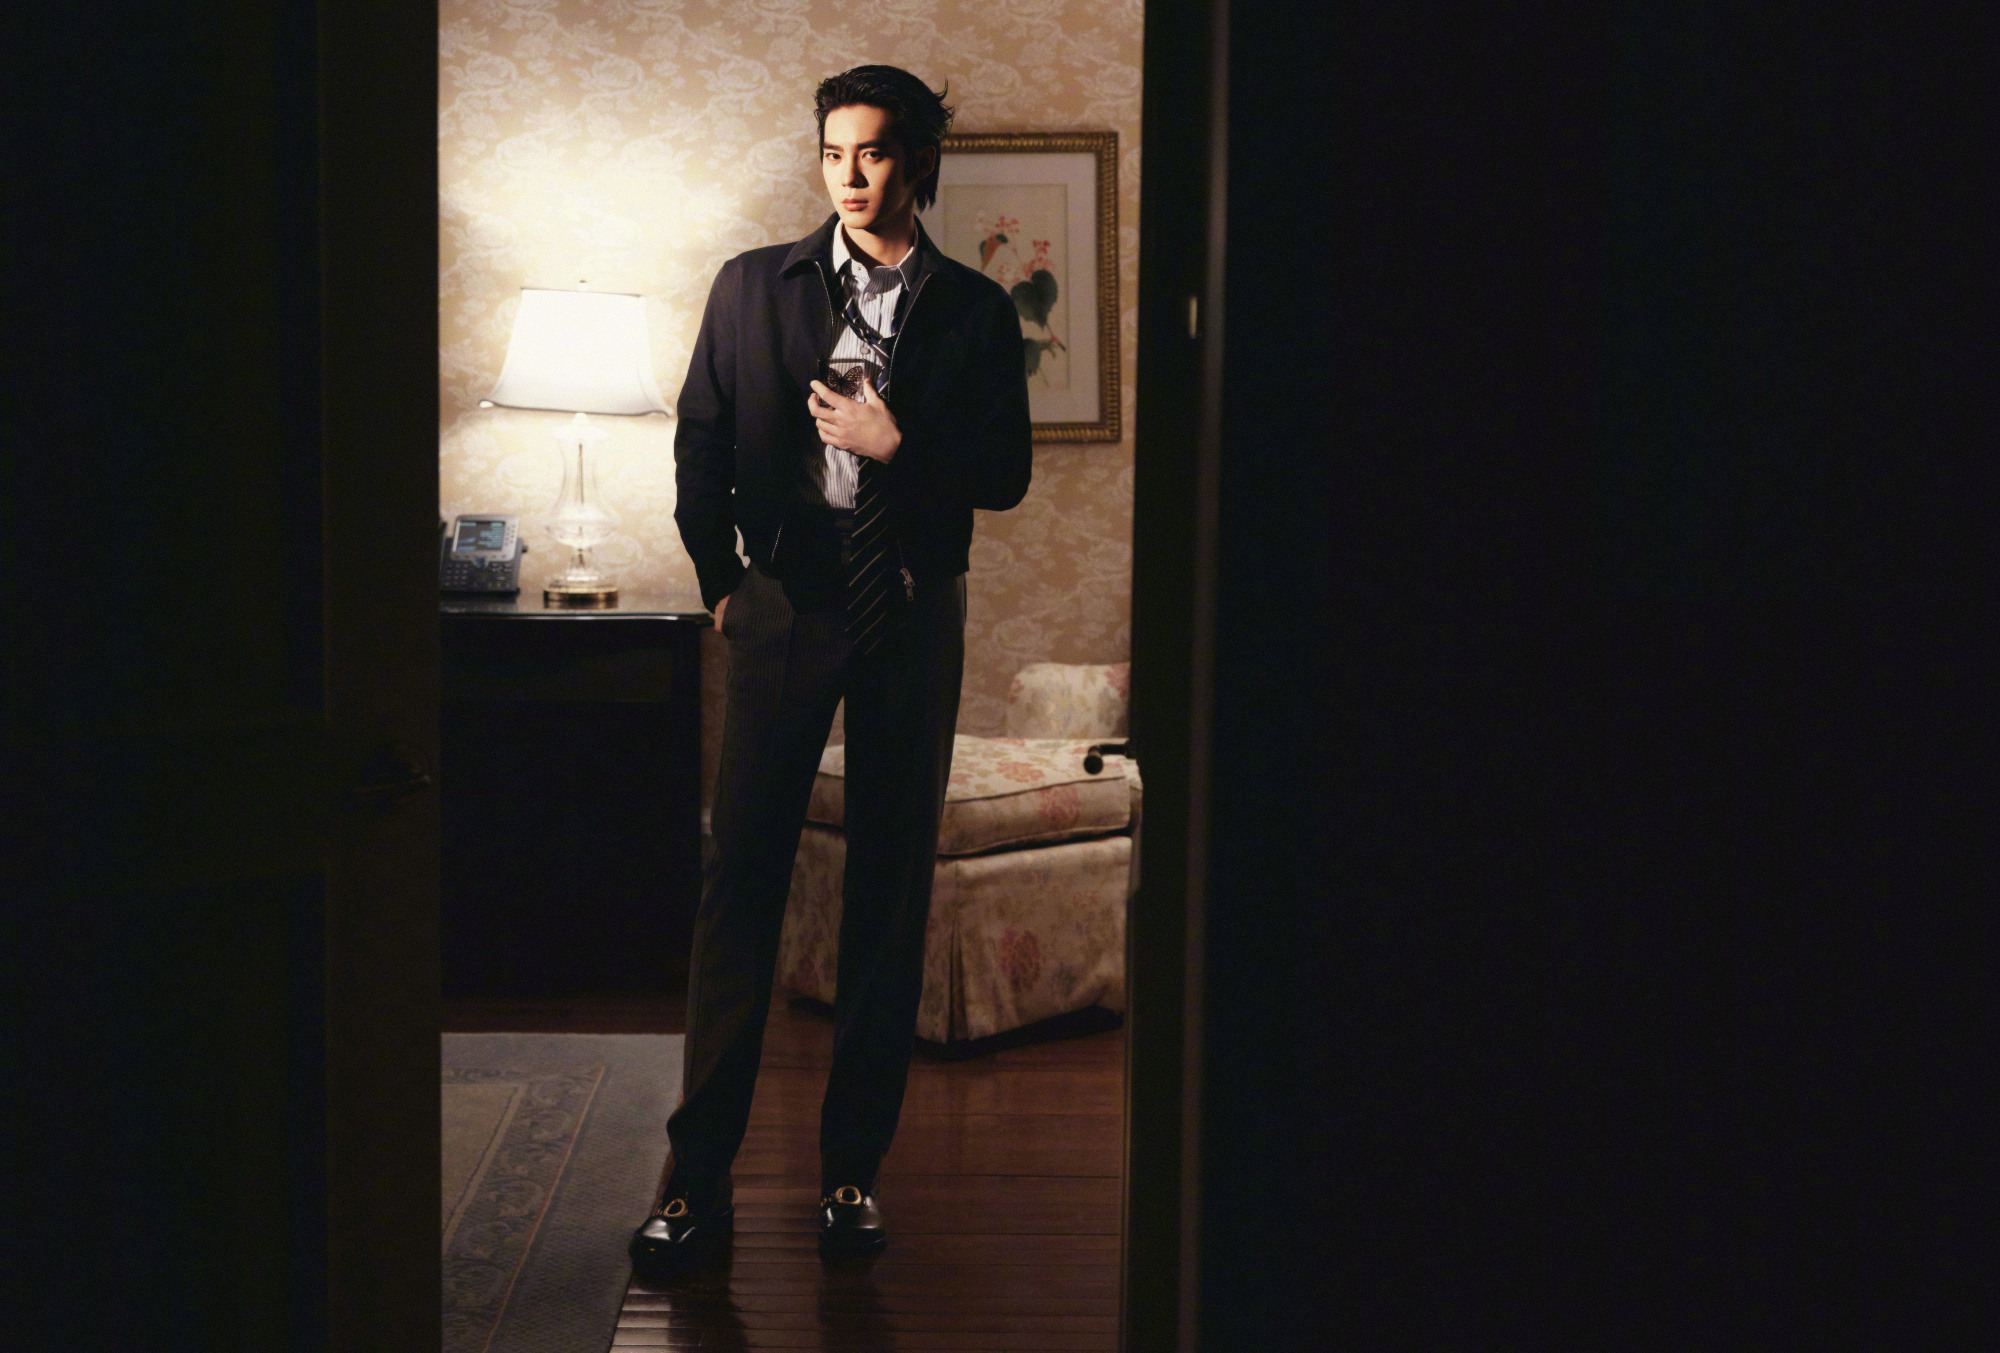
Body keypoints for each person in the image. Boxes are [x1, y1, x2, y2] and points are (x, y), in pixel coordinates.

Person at [630, 65, 1032, 1269]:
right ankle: (694, 1184)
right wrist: (719, 578)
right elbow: (700, 439)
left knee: (886, 893)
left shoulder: (972, 310)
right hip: (786, 607)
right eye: (831, 152)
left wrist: (898, 443)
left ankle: (851, 1175)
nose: (848, 175)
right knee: (739, 881)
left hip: (911, 609)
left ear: (917, 161)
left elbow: (1004, 474)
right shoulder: (752, 286)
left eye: (872, 152)